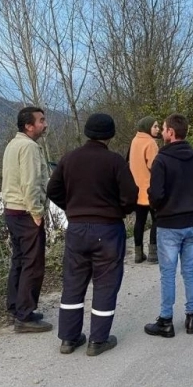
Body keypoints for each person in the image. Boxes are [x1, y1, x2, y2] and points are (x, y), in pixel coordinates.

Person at [47, 113, 139, 356]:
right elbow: (131, 195)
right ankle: (98, 341)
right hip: (108, 229)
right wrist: (118, 211)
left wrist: (72, 207)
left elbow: (52, 189)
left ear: (87, 132)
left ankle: (69, 338)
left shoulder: (69, 159)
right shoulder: (115, 161)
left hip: (77, 228)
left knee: (73, 282)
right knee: (106, 284)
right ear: (110, 134)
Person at [144, 114, 193, 338]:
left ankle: (166, 320)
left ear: (171, 133)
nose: (162, 131)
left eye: (165, 128)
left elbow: (156, 194)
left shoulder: (162, 159)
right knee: (189, 270)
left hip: (170, 223)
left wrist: (154, 203)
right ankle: (191, 317)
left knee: (167, 273)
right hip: (192, 221)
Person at [1, 106, 53, 333]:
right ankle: (25, 315)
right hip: (25, 211)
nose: (45, 124)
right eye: (41, 120)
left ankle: (16, 307)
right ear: (28, 126)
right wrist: (37, 212)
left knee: (20, 260)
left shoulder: (13, 144)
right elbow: (30, 183)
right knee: (33, 263)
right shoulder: (29, 147)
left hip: (11, 210)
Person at [129, 116, 161, 263]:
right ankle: (153, 253)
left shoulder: (135, 141)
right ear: (148, 127)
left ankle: (138, 253)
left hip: (136, 190)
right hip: (150, 190)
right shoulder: (150, 143)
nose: (158, 129)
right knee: (157, 220)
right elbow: (154, 168)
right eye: (155, 126)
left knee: (139, 222)